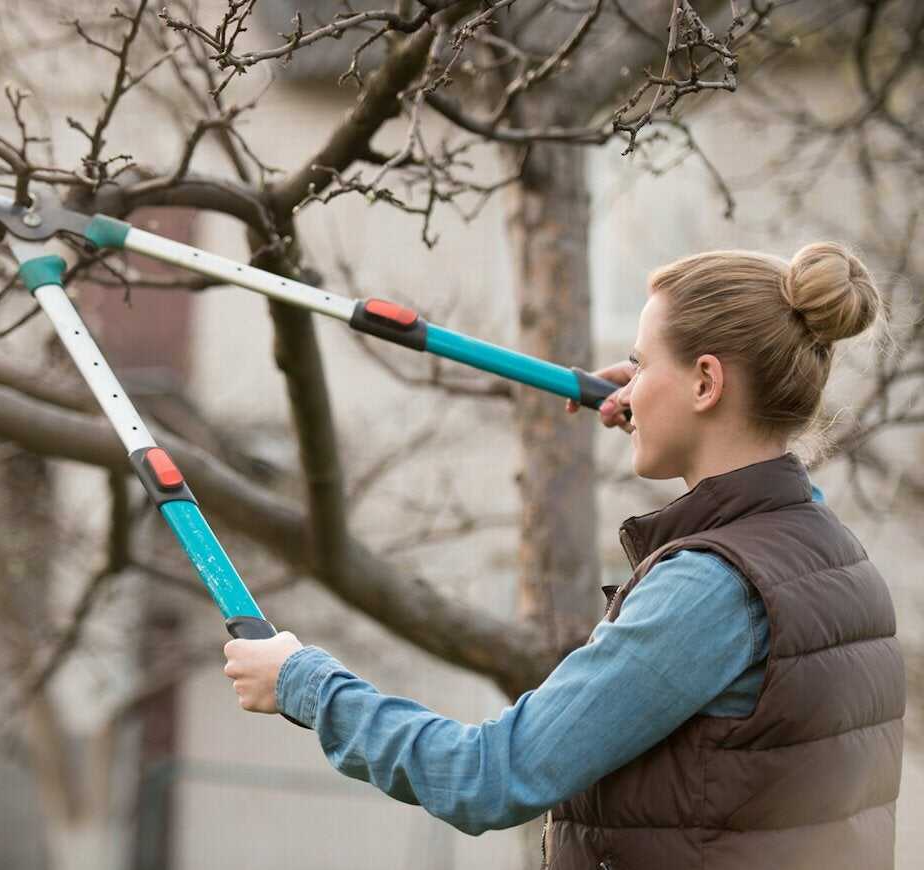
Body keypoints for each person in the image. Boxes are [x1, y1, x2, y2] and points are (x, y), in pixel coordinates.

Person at [222, 242, 906, 870]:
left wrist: (304, 684)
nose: (627, 385)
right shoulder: (832, 556)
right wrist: (656, 402)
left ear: (705, 383)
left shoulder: (708, 589)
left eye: (640, 363)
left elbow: (488, 777)